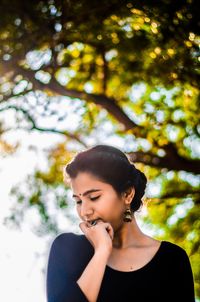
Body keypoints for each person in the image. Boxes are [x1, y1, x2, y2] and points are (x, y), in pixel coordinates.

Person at [46, 144, 195, 302]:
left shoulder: (172, 260)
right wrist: (101, 252)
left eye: (94, 197)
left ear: (127, 194)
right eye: (78, 201)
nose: (84, 211)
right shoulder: (68, 249)